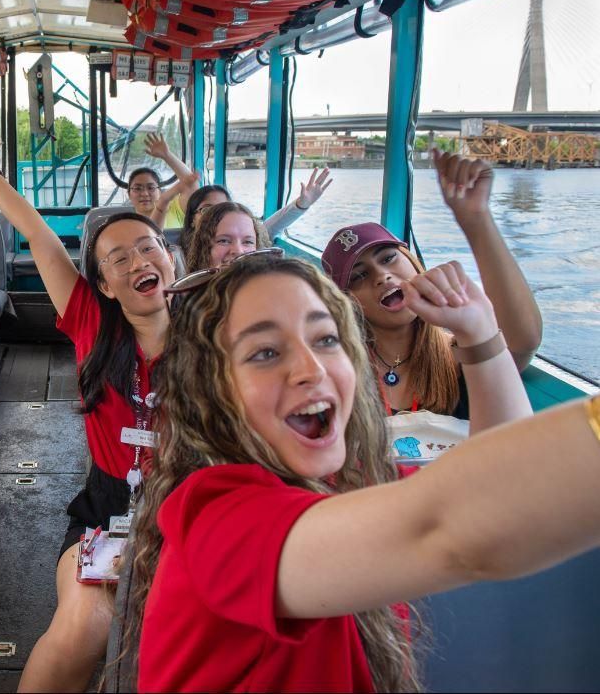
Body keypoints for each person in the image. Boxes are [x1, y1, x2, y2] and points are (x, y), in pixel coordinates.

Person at [124, 251, 598, 693]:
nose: (311, 369)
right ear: (210, 393)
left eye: (325, 339)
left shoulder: (346, 484)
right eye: (265, 353)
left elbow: (507, 490)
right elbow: (458, 528)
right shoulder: (218, 519)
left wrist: (478, 336)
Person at [0, 137, 176, 692]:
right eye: (118, 258)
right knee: (80, 630)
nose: (139, 262)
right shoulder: (90, 323)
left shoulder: (219, 335)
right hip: (109, 508)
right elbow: (38, 234)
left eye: (149, 248)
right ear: (101, 285)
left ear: (173, 257)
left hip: (194, 506)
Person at [320, 150, 542, 422]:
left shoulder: (459, 354)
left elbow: (522, 341)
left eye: (389, 258)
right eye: (358, 277)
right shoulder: (337, 369)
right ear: (344, 302)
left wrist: (477, 221)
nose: (382, 276)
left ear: (413, 263)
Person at [178, 166, 333, 252]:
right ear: (192, 219)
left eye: (222, 209)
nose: (216, 216)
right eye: (206, 210)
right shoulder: (178, 256)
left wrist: (301, 204)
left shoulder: (246, 244)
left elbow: (268, 229)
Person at [128, 133, 200, 230]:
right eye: (137, 188)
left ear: (160, 191)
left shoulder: (175, 208)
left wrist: (167, 155)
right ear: (129, 194)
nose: (145, 193)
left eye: (151, 188)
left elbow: (190, 183)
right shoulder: (126, 226)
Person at [183, 200, 272, 273]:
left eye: (248, 242)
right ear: (202, 247)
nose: (239, 251)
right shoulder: (189, 293)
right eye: (224, 241)